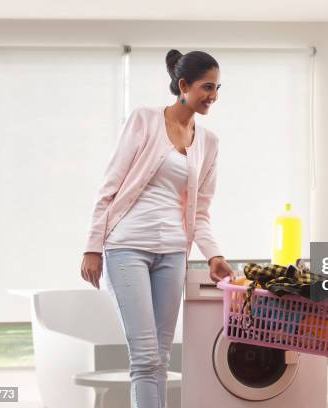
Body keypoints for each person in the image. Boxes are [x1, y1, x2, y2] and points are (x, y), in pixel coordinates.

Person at [80, 49, 235, 408]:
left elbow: (201, 213)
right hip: (127, 247)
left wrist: (215, 255)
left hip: (173, 254)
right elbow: (110, 185)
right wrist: (92, 246)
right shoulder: (144, 120)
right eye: (206, 87)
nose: (213, 95)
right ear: (183, 85)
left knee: (161, 359)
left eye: (217, 88)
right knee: (146, 357)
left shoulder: (209, 143)